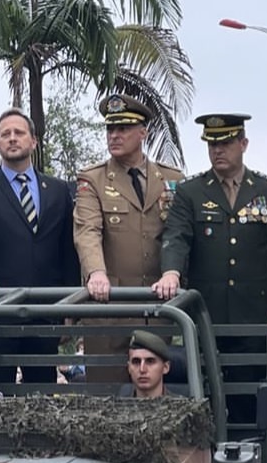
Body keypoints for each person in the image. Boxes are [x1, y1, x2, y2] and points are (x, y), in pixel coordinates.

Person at [152, 113, 267, 423]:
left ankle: (250, 457)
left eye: (226, 143)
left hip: (253, 314)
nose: (218, 150)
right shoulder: (191, 193)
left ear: (243, 144)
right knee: (206, 392)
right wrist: (171, 271)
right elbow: (176, 237)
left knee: (249, 392)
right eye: (212, 144)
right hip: (207, 313)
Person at [0, 107, 80, 385]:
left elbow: (67, 251)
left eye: (19, 133)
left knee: (42, 393)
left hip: (45, 310)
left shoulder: (59, 190)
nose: (12, 138)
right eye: (5, 134)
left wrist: (70, 307)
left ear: (33, 141)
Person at [74, 94, 184, 383]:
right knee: (107, 399)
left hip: (158, 309)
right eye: (110, 129)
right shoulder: (93, 179)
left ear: (142, 132)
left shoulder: (172, 180)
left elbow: (179, 234)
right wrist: (96, 272)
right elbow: (87, 231)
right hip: (110, 309)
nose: (114, 135)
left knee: (156, 400)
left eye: (123, 128)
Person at [120, 330, 172, 399]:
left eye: (150, 361)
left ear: (165, 367)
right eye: (136, 362)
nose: (142, 369)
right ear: (129, 368)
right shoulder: (117, 407)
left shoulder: (182, 406)